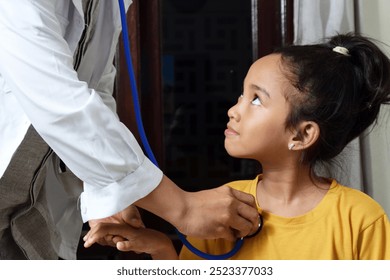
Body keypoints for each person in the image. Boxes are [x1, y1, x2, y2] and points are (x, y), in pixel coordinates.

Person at [83, 33, 390, 260]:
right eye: (242, 95)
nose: (234, 109)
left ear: (301, 135)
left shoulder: (360, 219)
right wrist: (159, 246)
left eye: (256, 99)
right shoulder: (223, 208)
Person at [0, 0, 259, 260]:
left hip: (27, 207)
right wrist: (183, 208)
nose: (233, 110)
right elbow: (56, 97)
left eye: (257, 99)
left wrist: (106, 189)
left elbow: (95, 87)